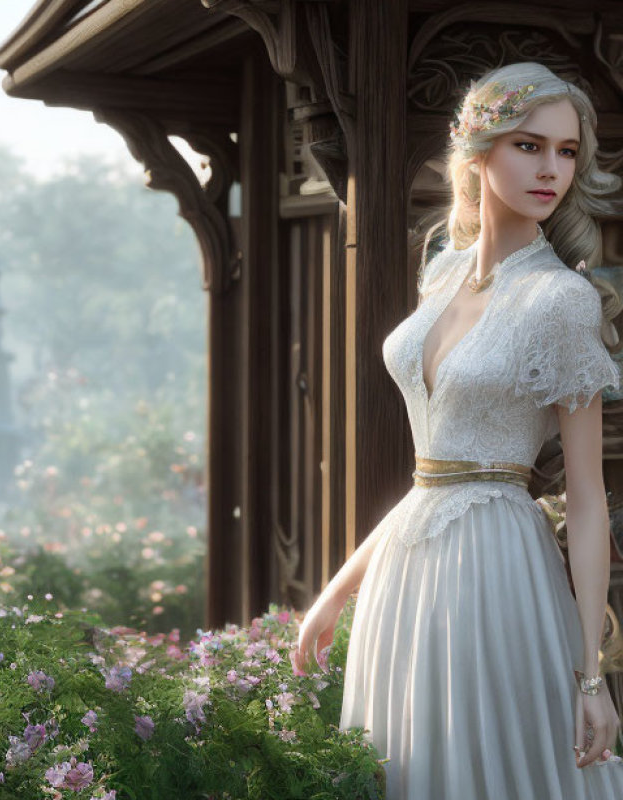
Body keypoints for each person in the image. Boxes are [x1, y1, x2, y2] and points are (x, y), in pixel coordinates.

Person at [291, 62, 623, 798]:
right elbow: (433, 474)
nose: (552, 169)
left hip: (499, 568)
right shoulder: (439, 276)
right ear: (480, 151)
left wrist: (590, 673)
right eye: (529, 145)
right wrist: (340, 590)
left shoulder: (561, 300)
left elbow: (590, 499)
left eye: (567, 151)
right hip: (407, 575)